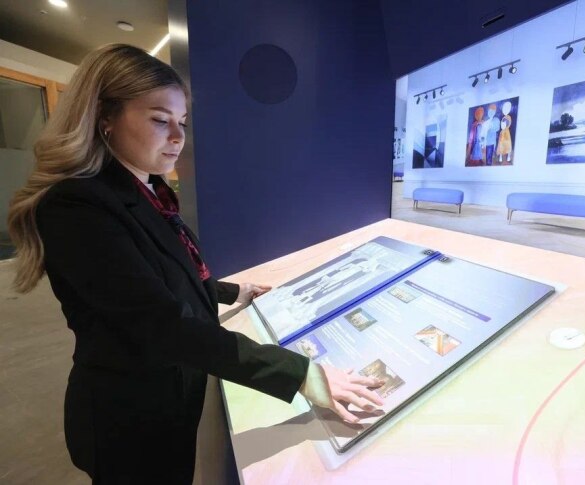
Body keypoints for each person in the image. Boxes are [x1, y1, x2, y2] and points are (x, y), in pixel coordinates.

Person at [6, 44, 383, 484]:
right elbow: (158, 322)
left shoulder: (146, 191)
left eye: (182, 122)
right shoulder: (76, 206)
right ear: (104, 117)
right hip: (127, 421)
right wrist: (301, 374)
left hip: (167, 402)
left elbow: (166, 271)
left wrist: (233, 292)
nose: (178, 137)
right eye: (159, 120)